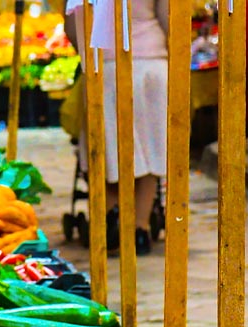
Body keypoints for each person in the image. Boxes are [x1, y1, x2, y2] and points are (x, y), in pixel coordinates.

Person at [66, 0, 169, 255]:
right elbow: (170, 18)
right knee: (151, 148)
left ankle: (110, 221)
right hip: (151, 65)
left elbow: (71, 22)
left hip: (105, 63)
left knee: (108, 148)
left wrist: (87, 52)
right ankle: (140, 228)